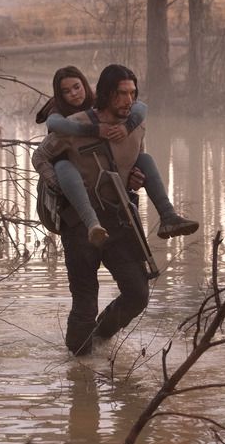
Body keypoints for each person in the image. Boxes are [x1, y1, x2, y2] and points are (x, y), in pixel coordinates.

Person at [32, 64, 159, 356]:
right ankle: (78, 364)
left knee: (138, 294)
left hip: (119, 220)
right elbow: (40, 157)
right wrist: (59, 185)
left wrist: (136, 177)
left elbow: (136, 161)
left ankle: (100, 338)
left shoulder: (136, 122)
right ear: (106, 94)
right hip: (79, 225)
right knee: (85, 302)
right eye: (121, 94)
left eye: (132, 93)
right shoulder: (70, 123)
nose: (128, 100)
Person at [36, 65, 198, 246]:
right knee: (62, 166)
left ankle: (168, 216)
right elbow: (49, 138)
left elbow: (140, 108)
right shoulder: (58, 114)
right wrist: (93, 130)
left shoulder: (107, 104)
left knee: (145, 159)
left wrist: (127, 129)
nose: (74, 94)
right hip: (73, 186)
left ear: (85, 85)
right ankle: (91, 223)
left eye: (77, 87)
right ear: (60, 95)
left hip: (115, 198)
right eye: (66, 91)